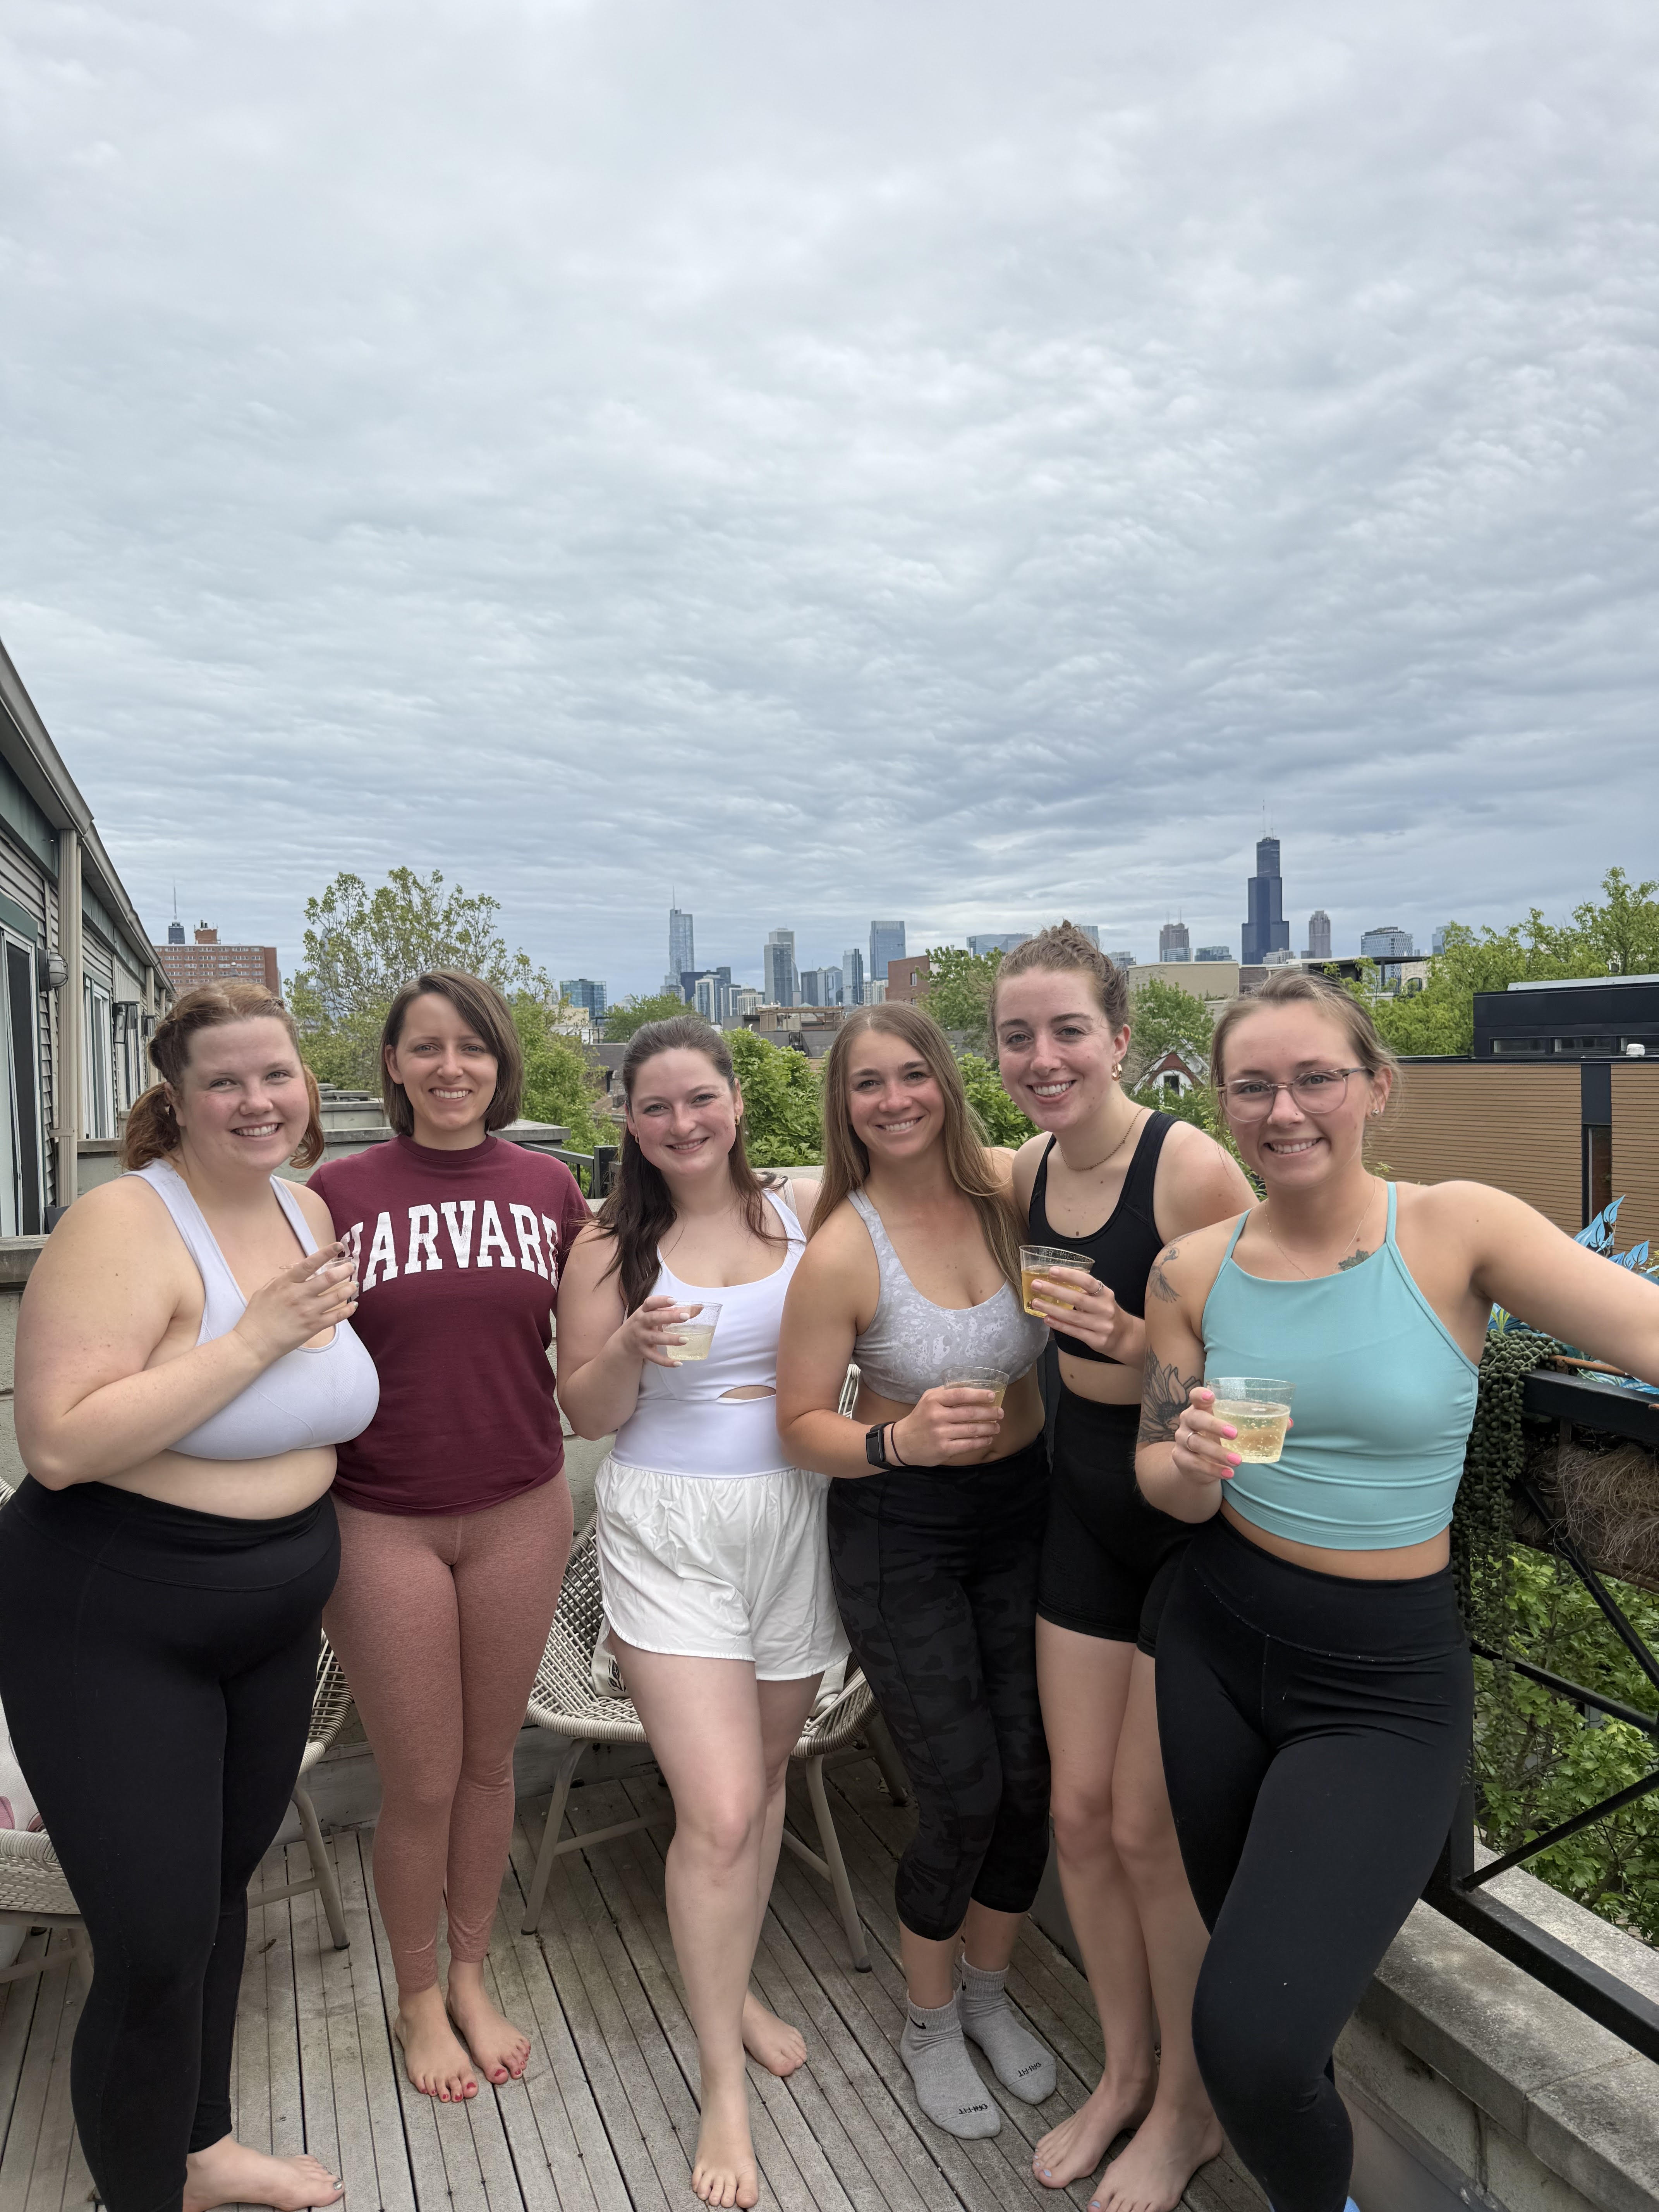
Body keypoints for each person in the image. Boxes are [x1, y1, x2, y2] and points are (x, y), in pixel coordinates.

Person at [1137, 968, 1659, 2212]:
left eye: (1315, 1076)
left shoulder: (1453, 1226)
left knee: (1251, 2042)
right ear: (1223, 1103)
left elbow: (1643, 1333)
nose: (1284, 1109)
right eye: (1252, 1085)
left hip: (1379, 1682)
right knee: (1266, 2008)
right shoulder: (1189, 1270)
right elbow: (1155, 1470)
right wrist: (1191, 1465)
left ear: (1376, 1085)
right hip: (1214, 1641)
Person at [0, 982, 377, 2212]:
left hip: (269, 1617)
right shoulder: (121, 1221)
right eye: (224, 1080)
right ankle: (138, 2193)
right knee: (156, 1943)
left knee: (220, 1898)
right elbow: (57, 1443)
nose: (257, 1100)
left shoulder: (303, 1206)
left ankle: (199, 2151)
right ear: (177, 1096)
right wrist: (257, 1339)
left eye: (277, 1073)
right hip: (115, 1611)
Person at [556, 1015, 842, 2212]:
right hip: (667, 1528)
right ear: (627, 1121)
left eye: (698, 1098)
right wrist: (625, 1339)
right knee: (719, 1808)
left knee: (765, 1785)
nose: (680, 1123)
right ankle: (720, 2082)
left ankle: (737, 1988)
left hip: (793, 1520)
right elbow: (583, 1411)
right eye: (654, 1106)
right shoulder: (607, 1248)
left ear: (735, 1098)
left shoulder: (806, 1213)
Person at [993, 926, 1255, 2212]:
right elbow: (884, 1169)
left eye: (1066, 1033)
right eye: (1016, 1037)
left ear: (1115, 1035)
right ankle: (1124, 2071)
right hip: (1079, 1520)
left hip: (1189, 1539)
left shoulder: (1191, 1167)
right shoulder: (1028, 1167)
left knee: (1152, 1836)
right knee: (1081, 1819)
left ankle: (1188, 2114)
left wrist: (1137, 1333)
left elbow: (1258, 1360)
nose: (1042, 1060)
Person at [776, 1002, 1056, 2145]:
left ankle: (990, 1997)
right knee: (961, 1791)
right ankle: (930, 2021)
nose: (892, 1100)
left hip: (1021, 1514)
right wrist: (893, 1441)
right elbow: (799, 1424)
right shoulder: (844, 1243)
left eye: (910, 1076)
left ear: (944, 1081)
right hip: (898, 1529)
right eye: (864, 1085)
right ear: (841, 1107)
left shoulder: (1008, 1199)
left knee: (1035, 1780)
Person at [308, 972, 590, 2104]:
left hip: (523, 1500)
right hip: (382, 1516)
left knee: (487, 1765)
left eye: (470, 1048)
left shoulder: (551, 1187)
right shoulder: (335, 1193)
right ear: (392, 1065)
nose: (449, 1068)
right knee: (420, 1777)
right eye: (424, 1048)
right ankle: (415, 1994)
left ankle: (472, 1974)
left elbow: (603, 1325)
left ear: (499, 1061)